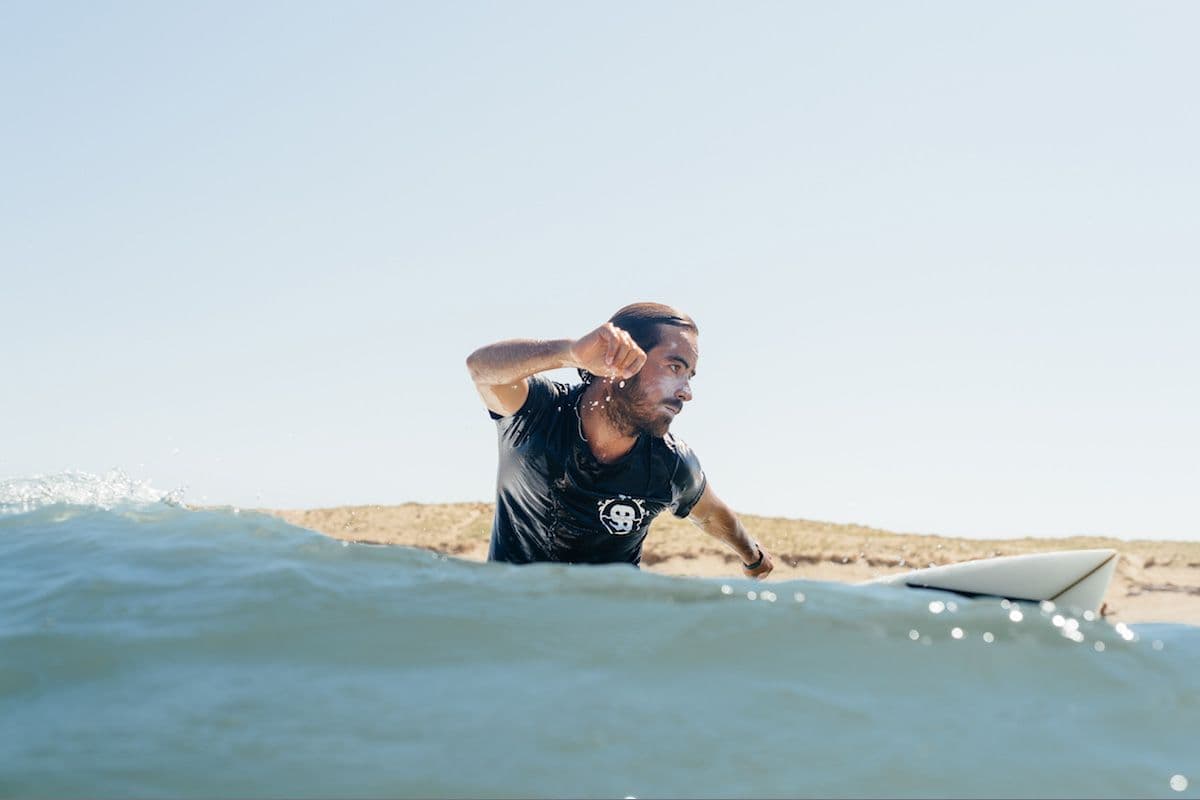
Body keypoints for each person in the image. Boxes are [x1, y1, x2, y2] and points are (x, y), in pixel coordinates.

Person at [466, 302, 774, 579]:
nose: (686, 392)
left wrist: (752, 556)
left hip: (608, 631)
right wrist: (570, 352)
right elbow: (481, 368)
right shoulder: (541, 413)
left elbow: (709, 513)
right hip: (514, 620)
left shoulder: (668, 462)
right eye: (674, 367)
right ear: (618, 360)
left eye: (689, 376)